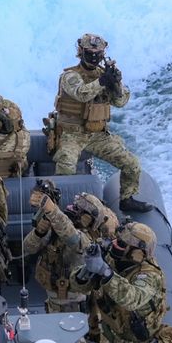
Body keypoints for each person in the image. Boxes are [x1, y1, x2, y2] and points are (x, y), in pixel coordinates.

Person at [47, 33, 152, 213]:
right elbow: (82, 93)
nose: (94, 57)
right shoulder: (70, 76)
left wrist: (115, 84)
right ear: (81, 52)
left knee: (132, 163)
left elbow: (120, 102)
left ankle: (126, 199)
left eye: (98, 53)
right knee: (66, 165)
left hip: (97, 135)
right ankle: (59, 208)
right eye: (90, 53)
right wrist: (103, 81)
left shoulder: (104, 75)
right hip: (72, 134)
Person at [21, 186, 117, 327]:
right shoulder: (58, 226)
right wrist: (39, 232)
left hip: (73, 299)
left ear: (87, 219)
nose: (72, 209)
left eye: (78, 209)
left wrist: (52, 210)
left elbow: (72, 237)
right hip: (54, 295)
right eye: (74, 206)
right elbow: (28, 247)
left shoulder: (88, 241)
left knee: (72, 333)